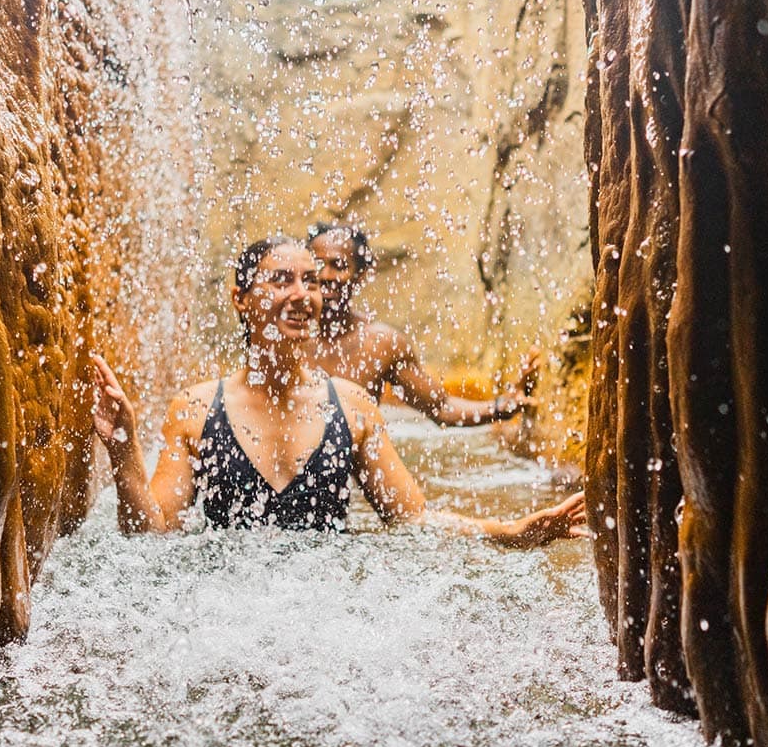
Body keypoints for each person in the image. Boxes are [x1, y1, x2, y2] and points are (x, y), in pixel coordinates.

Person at [92, 236, 586, 541]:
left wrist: (512, 530)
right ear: (241, 299)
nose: (303, 295)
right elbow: (150, 534)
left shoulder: (351, 406)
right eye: (281, 280)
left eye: (310, 282)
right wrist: (124, 451)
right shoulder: (196, 411)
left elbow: (415, 523)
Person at [305, 222, 539, 427]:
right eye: (317, 264)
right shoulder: (283, 337)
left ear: (361, 274)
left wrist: (503, 406)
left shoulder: (380, 344)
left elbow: (442, 408)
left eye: (339, 265)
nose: (325, 275)